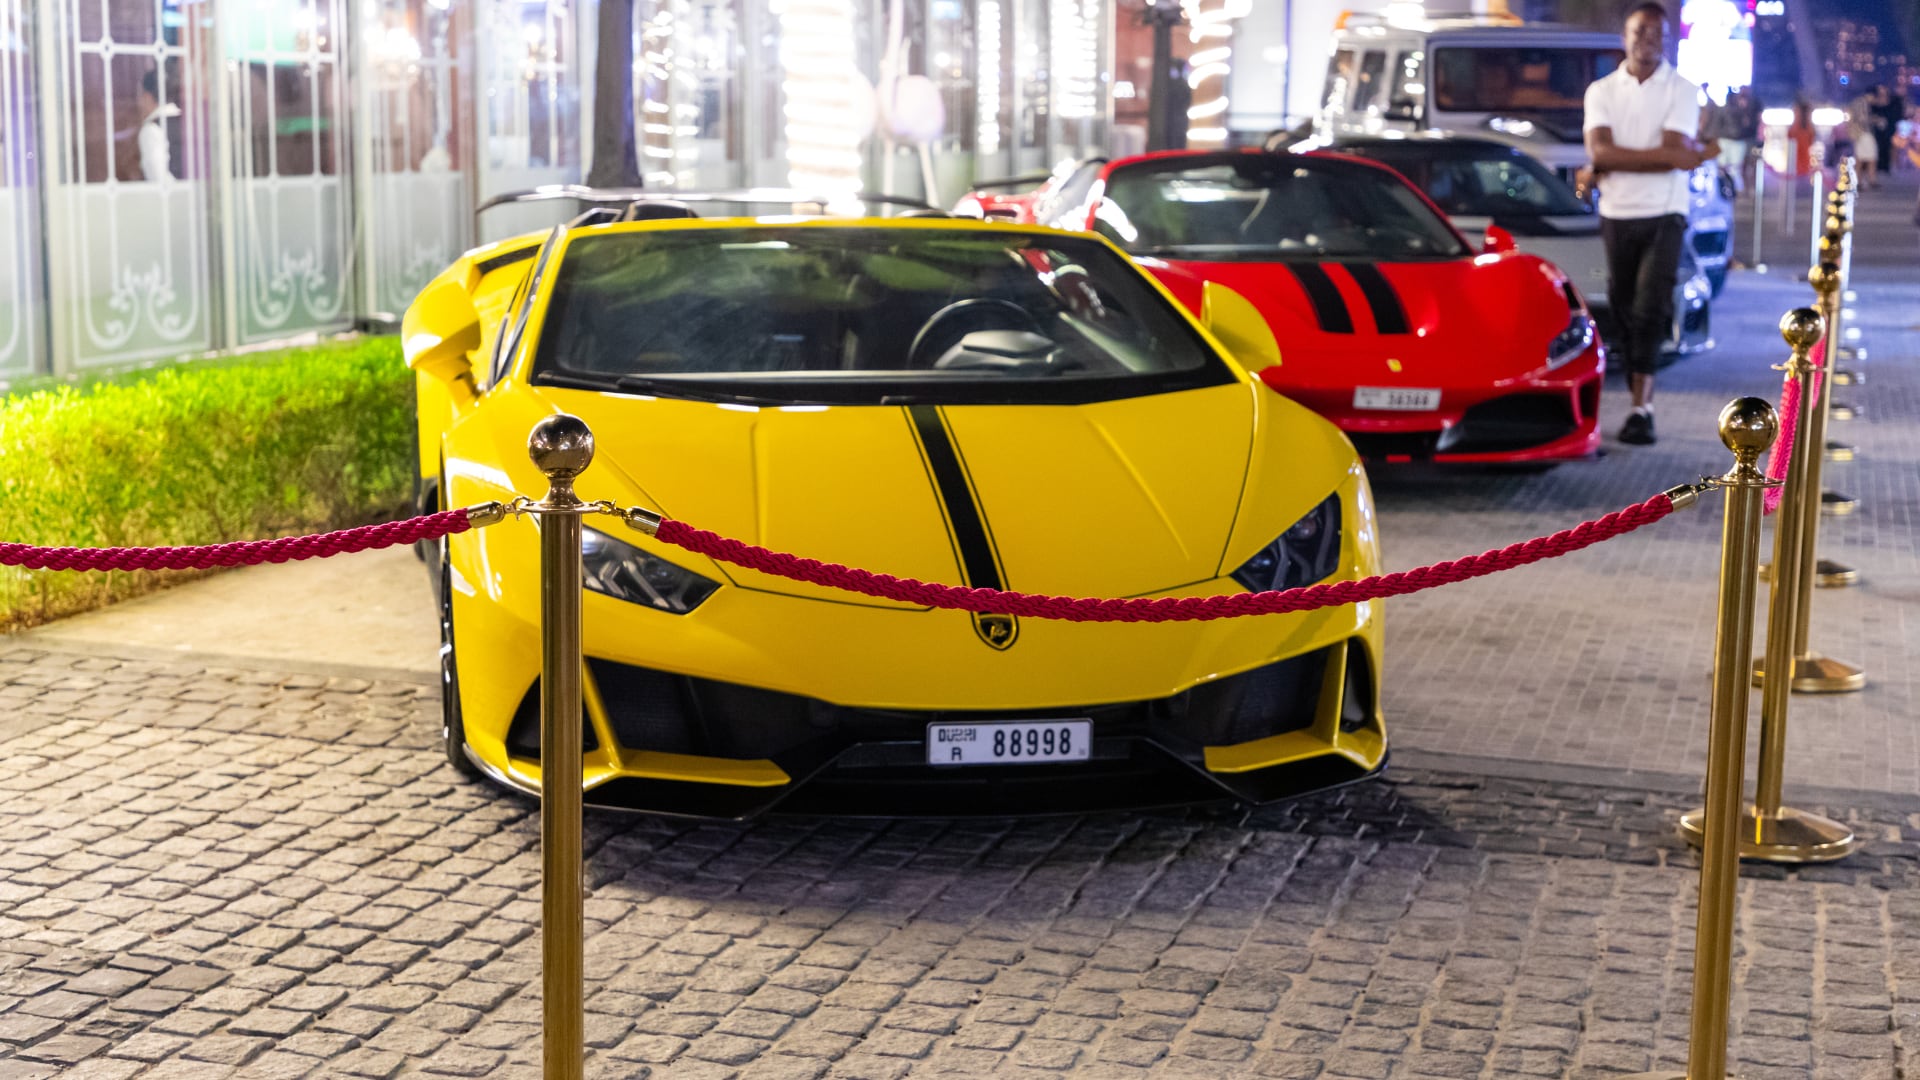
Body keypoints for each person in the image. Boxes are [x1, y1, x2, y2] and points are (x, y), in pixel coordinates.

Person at [1582, 1, 1715, 446]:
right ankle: (1635, 392)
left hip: (1665, 212)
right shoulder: (1601, 90)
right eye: (1640, 32)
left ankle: (1643, 408)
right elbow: (1600, 152)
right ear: (1625, 37)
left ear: (1668, 42)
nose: (1648, 41)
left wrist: (1614, 160)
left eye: (1658, 34)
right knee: (1622, 305)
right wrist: (1666, 157)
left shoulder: (1682, 89)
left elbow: (1668, 154)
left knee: (1650, 306)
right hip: (1616, 212)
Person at [135, 70, 171, 183]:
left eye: (140, 96)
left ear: (147, 97)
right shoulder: (185, 123)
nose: (139, 102)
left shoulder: (151, 130)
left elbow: (157, 181)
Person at [1848, 90, 1879, 188]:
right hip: (1864, 133)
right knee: (1870, 157)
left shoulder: (1857, 102)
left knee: (1860, 157)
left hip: (1859, 134)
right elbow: (1862, 119)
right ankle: (1870, 180)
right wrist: (1875, 120)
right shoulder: (1863, 103)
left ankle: (1858, 181)